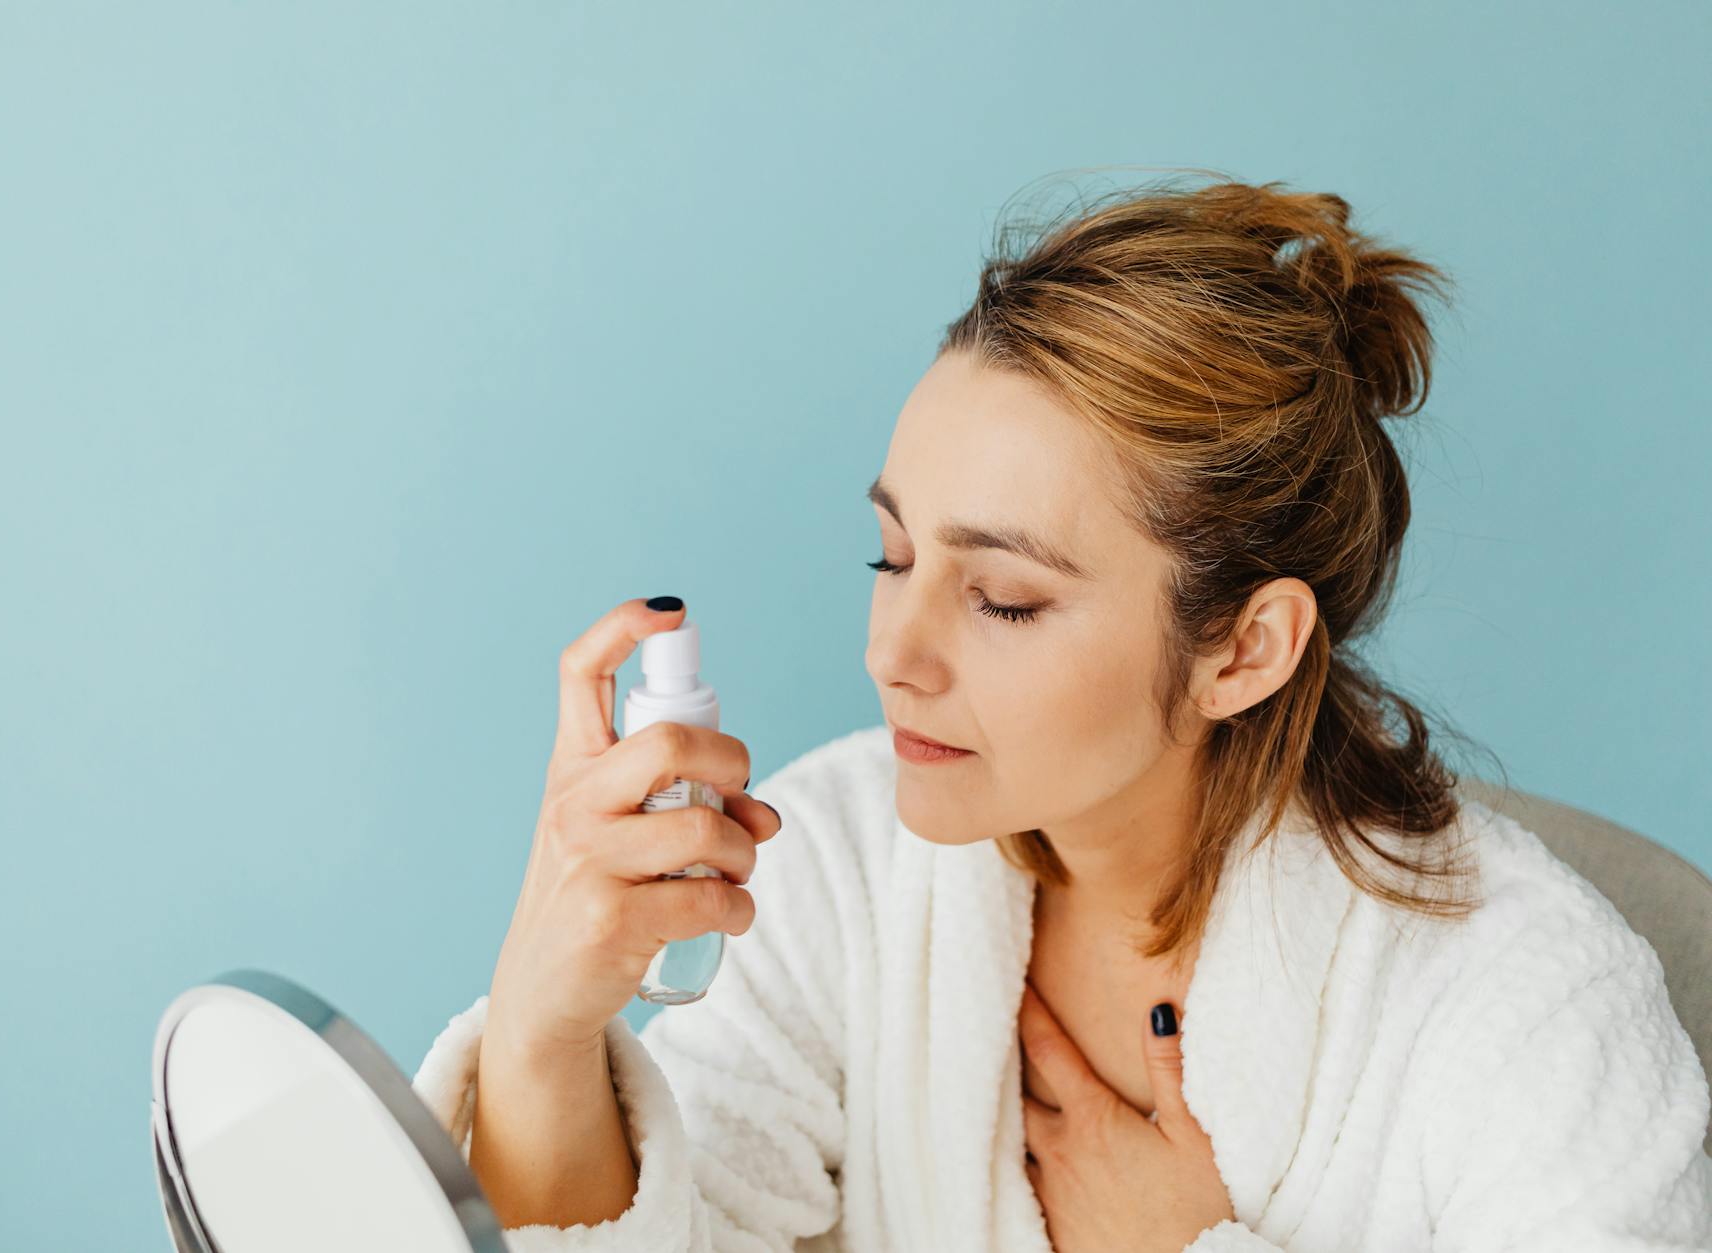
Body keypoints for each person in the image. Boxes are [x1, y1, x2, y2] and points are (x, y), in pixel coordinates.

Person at [411, 174, 1712, 1251]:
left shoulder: (1528, 1007)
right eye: (893, 556)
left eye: (1007, 601)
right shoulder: (843, 866)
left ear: (1245, 648)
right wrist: (543, 1027)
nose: (891, 653)